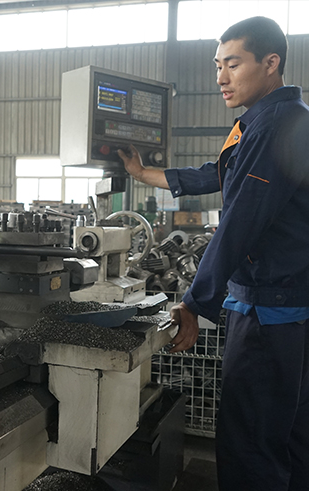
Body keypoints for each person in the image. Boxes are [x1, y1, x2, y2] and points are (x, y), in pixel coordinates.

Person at [118, 16, 309, 491]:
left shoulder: (273, 127)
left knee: (250, 442)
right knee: (290, 437)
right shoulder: (284, 119)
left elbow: (239, 224)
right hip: (294, 305)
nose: (221, 77)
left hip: (268, 311)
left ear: (271, 63)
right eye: (217, 65)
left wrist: (195, 302)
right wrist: (145, 175)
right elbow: (220, 172)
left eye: (233, 64)